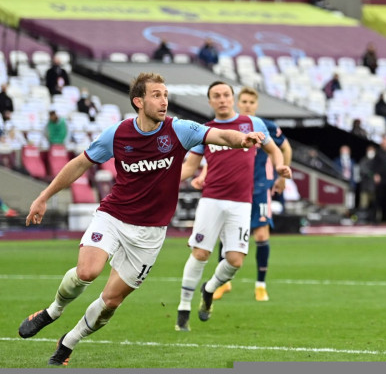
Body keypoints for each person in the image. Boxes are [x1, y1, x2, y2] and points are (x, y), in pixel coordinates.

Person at [17, 72, 266, 366]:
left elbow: (220, 135)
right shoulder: (118, 134)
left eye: (165, 95)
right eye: (156, 95)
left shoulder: (179, 130)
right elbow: (80, 163)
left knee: (111, 303)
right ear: (139, 101)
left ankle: (68, 342)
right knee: (87, 272)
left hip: (150, 233)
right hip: (113, 216)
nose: (164, 101)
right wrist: (44, 196)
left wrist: (243, 139)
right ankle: (53, 311)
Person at [176, 82, 291, 331]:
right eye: (216, 96)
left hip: (242, 202)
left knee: (236, 260)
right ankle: (183, 308)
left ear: (232, 98)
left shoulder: (253, 124)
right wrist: (168, 178)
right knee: (200, 253)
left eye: (226, 95)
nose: (222, 99)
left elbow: (275, 150)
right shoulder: (205, 130)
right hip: (211, 199)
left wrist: (280, 167)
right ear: (210, 102)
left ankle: (209, 289)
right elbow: (189, 166)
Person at [205, 87, 293, 303]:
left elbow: (285, 148)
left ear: (256, 105)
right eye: (243, 101)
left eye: (251, 102)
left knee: (261, 235)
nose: (247, 105)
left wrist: (282, 176)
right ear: (238, 103)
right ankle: (223, 282)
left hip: (260, 187)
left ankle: (260, 285)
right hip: (233, 188)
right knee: (226, 234)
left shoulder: (266, 126)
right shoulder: (230, 127)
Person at [358, 145, 378, 223]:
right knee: (363, 205)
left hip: (375, 187)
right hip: (365, 186)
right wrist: (372, 174)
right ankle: (362, 220)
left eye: (372, 150)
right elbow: (362, 170)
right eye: (370, 150)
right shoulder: (363, 160)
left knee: (375, 205)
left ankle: (375, 220)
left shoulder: (377, 161)